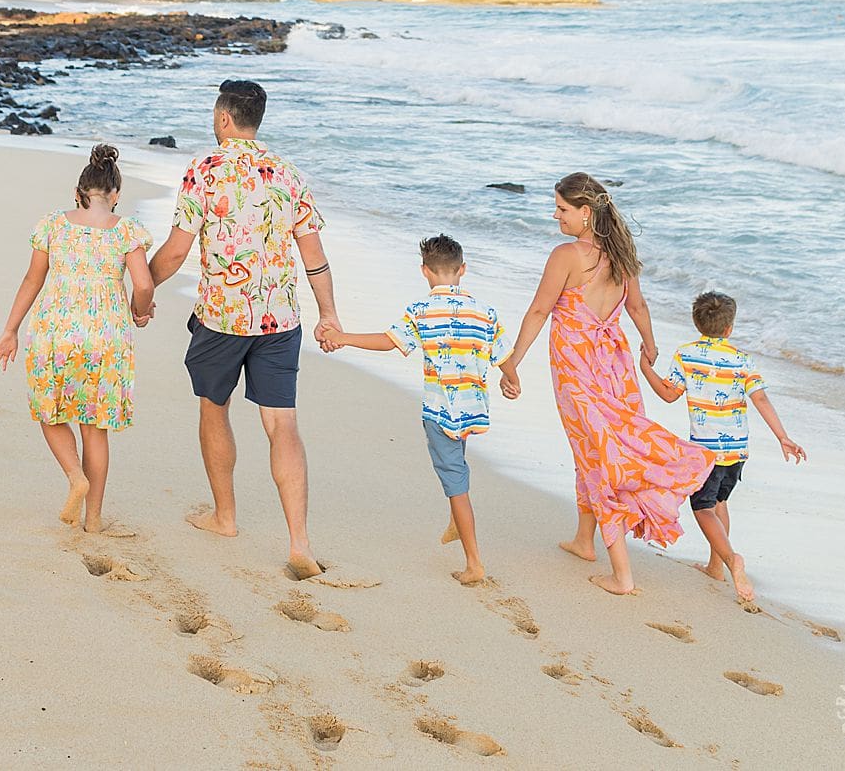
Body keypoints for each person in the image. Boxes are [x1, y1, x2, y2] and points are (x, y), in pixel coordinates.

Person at [146, 78, 339, 578]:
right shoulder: (289, 173)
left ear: (225, 118)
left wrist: (138, 292)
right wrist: (330, 315)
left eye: (215, 114)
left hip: (223, 318)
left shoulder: (205, 170)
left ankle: (225, 517)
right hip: (281, 318)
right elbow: (313, 256)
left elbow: (175, 250)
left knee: (215, 407)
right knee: (283, 424)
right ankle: (299, 542)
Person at [499, 171, 710, 595]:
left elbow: (539, 312)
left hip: (577, 370)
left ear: (585, 211)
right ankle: (583, 540)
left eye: (562, 209)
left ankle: (622, 574)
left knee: (600, 457)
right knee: (595, 447)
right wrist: (650, 346)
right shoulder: (622, 255)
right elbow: (637, 306)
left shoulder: (567, 255)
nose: (556, 215)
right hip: (615, 367)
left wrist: (512, 362)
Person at [320, 233, 507, 586]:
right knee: (457, 465)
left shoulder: (421, 311)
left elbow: (389, 342)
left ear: (424, 271)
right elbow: (503, 355)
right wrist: (510, 381)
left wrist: (343, 338)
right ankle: (455, 520)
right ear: (462, 269)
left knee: (455, 481)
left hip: (440, 411)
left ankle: (474, 562)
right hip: (473, 409)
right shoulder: (485, 312)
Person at [0, 143, 154, 533]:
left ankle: (75, 476)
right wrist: (140, 310)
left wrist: (10, 330)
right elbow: (143, 284)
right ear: (115, 195)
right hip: (107, 336)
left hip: (55, 332)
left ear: (77, 193)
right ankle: (93, 520)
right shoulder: (127, 230)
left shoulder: (53, 225)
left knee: (51, 412)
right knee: (95, 427)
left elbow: (33, 279)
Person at [639, 289, 806, 604]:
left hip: (706, 450)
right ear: (729, 328)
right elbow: (760, 398)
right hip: (737, 450)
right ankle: (715, 567)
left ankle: (730, 559)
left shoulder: (686, 354)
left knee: (702, 507)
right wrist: (783, 436)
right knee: (719, 503)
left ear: (696, 322)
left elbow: (668, 394)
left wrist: (645, 367)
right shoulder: (742, 359)